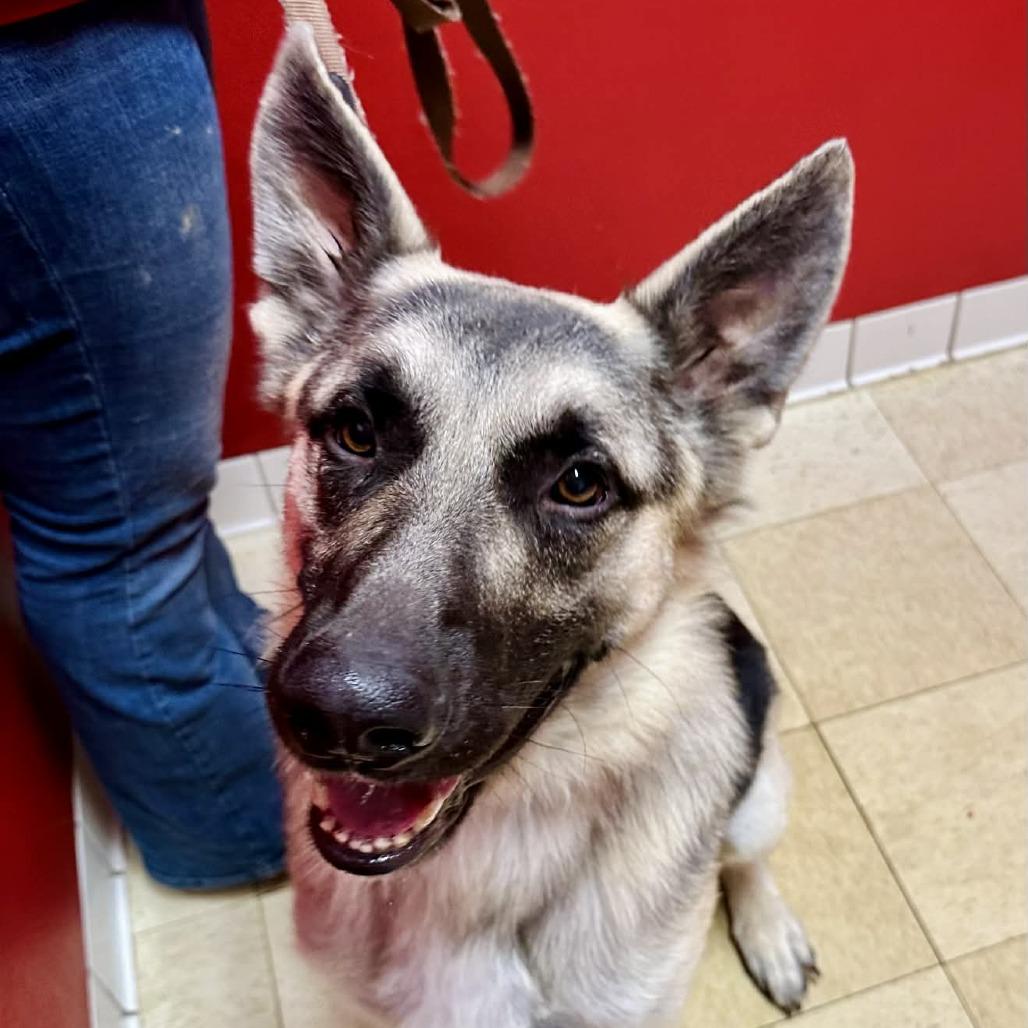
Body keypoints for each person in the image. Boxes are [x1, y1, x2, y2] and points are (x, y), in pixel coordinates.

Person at [0, 0, 283, 887]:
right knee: (119, 539)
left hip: (74, 25)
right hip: (42, 39)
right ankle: (238, 839)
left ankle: (252, 721)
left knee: (144, 490)